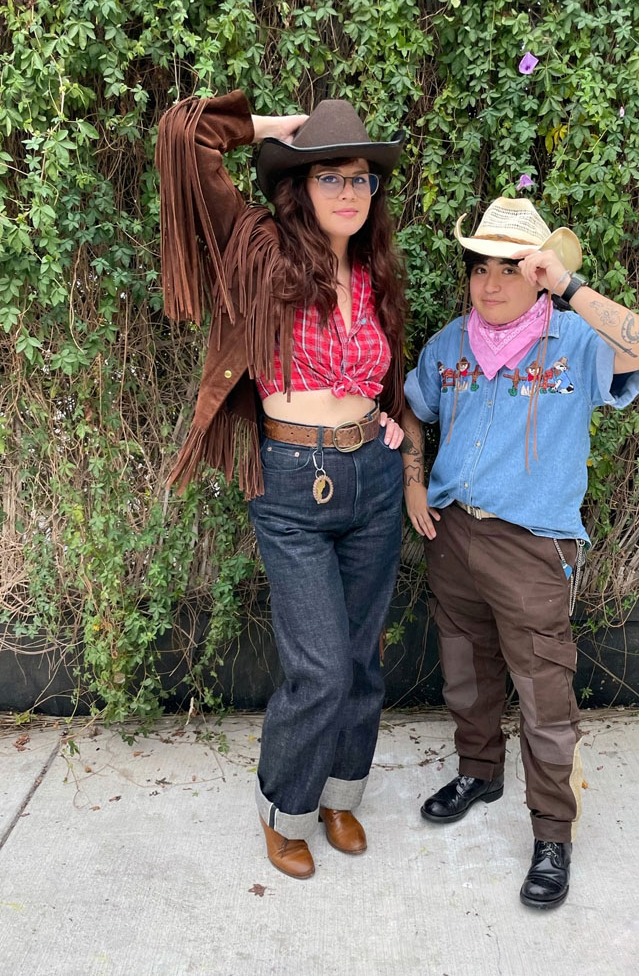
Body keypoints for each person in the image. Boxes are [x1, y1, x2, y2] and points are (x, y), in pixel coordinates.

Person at [156, 90, 407, 880]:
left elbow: (383, 377)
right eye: (329, 175)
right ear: (298, 184)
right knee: (322, 666)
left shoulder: (374, 270)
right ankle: (285, 805)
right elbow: (187, 137)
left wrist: (389, 428)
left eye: (361, 178)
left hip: (370, 475)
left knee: (362, 659)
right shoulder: (259, 245)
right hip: (293, 485)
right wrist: (273, 134)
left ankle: (340, 792)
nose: (348, 193)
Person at [401, 197, 639, 909]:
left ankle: (553, 835)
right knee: (466, 668)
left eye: (510, 269)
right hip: (453, 534)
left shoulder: (575, 340)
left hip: (534, 545)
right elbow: (414, 410)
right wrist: (414, 483)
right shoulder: (449, 344)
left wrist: (569, 286)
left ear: (539, 273)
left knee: (545, 695)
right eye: (480, 268)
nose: (490, 285)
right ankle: (478, 771)